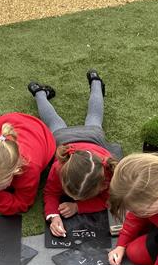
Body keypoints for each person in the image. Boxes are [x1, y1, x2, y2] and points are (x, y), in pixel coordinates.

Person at [30, 70, 118, 238]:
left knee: (59, 120)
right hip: (67, 139)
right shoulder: (59, 166)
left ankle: (40, 92)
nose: (75, 199)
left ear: (101, 184)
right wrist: (53, 215)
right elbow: (50, 192)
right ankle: (95, 81)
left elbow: (107, 201)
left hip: (90, 138)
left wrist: (79, 207)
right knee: (89, 117)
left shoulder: (110, 173)